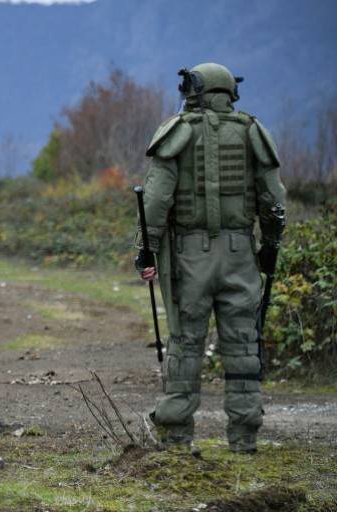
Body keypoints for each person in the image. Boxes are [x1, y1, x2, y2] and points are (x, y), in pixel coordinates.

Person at [136, 63, 286, 454]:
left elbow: (154, 200)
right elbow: (275, 201)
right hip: (240, 254)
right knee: (242, 342)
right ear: (228, 92)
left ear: (194, 90)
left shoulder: (177, 133)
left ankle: (175, 435)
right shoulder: (253, 132)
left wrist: (146, 250)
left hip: (189, 256)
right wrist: (269, 246)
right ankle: (244, 437)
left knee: (185, 342)